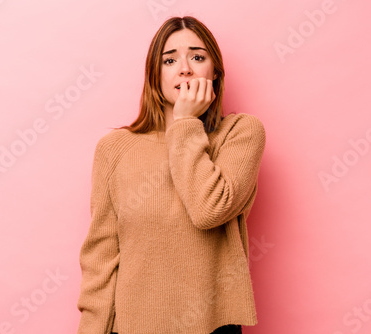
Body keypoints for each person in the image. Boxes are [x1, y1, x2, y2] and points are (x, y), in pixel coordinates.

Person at [76, 16, 266, 334]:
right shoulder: (115, 148)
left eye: (197, 56)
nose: (185, 68)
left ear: (215, 72)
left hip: (212, 326)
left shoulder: (240, 133)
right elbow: (101, 259)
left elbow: (209, 210)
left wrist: (185, 122)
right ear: (155, 73)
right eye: (169, 59)